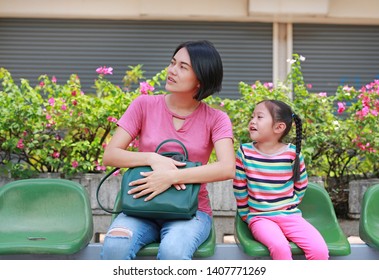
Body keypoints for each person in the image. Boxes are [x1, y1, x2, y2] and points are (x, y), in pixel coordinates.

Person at [100, 40, 235, 260]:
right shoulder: (143, 105)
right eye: (173, 63)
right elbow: (111, 155)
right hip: (140, 208)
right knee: (115, 245)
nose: (172, 71)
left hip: (191, 213)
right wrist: (153, 158)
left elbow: (227, 168)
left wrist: (171, 176)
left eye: (183, 67)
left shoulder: (217, 119)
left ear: (200, 79)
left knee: (174, 250)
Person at [233, 99, 329, 260]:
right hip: (260, 218)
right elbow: (239, 187)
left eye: (259, 117)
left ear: (279, 127)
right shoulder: (245, 152)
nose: (252, 121)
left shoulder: (292, 153)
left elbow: (301, 184)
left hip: (290, 216)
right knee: (280, 248)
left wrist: (289, 205)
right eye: (252, 116)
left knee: (319, 250)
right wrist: (246, 215)